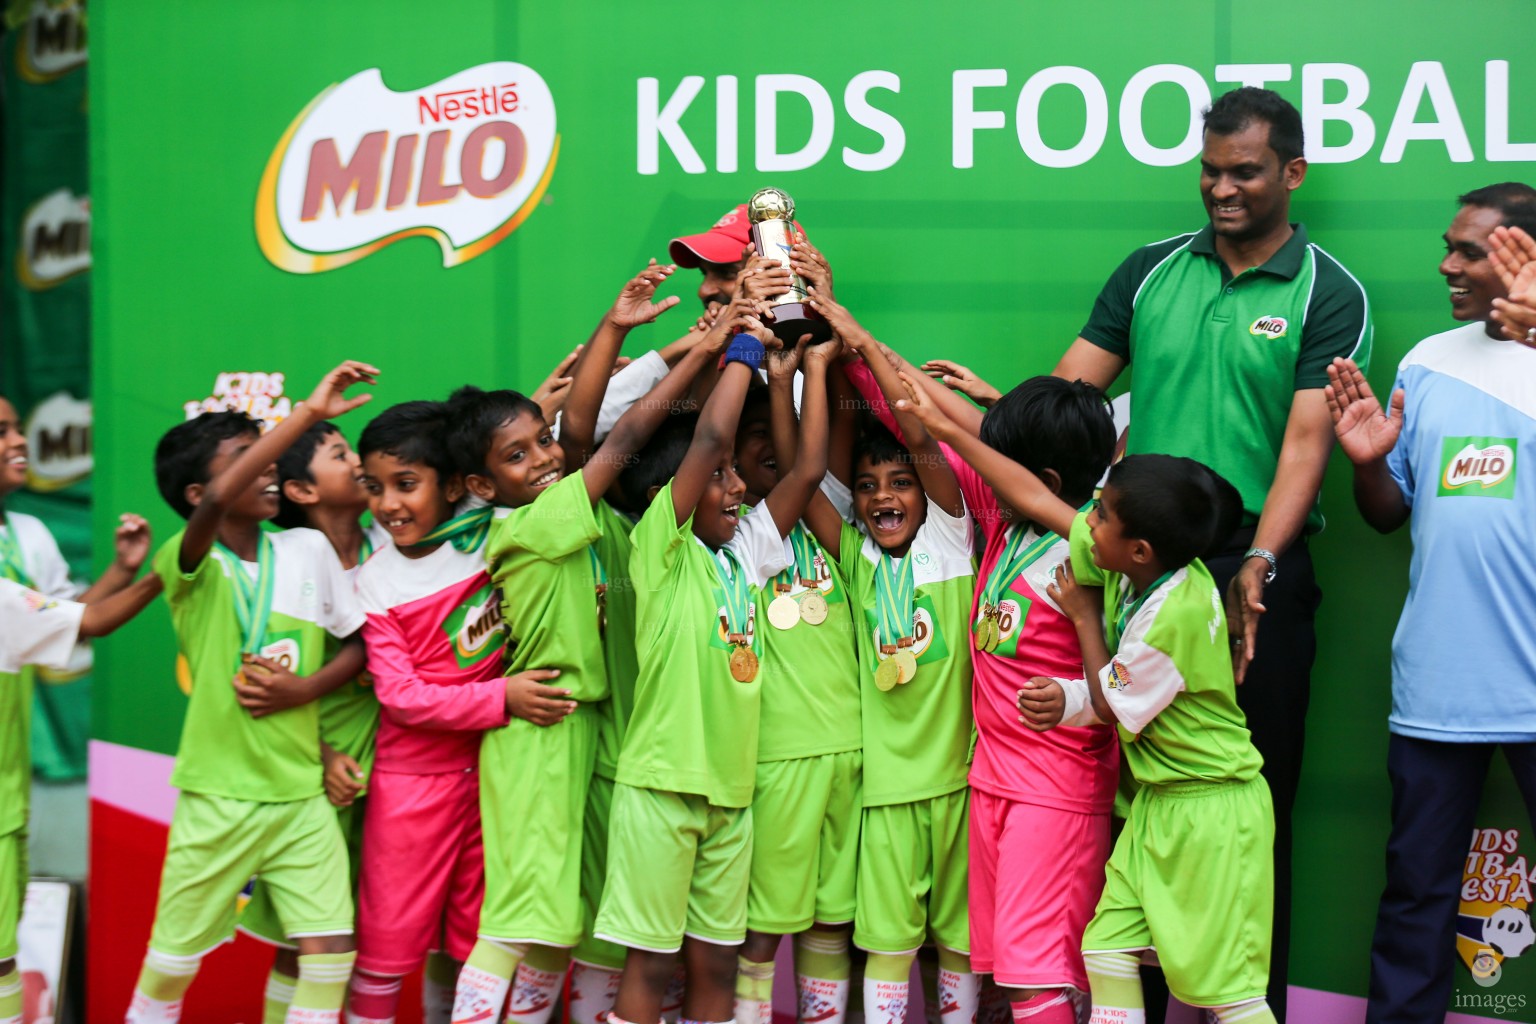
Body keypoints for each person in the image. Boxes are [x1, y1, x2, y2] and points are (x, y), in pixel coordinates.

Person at [1052, 86, 1371, 1020]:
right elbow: (1073, 397)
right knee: (1141, 802)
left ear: (1292, 173)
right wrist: (1018, 415)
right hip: (1144, 558)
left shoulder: (1328, 289)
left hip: (1255, 568)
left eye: (1245, 172)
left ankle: (1244, 1007)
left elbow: (1305, 448)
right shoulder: (1151, 270)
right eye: (1210, 170)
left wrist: (1257, 567)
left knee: (1249, 811)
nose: (1221, 189)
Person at [440, 261, 704, 1022]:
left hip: (594, 729)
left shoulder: (600, 524)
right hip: (541, 735)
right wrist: (705, 345)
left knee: (571, 921)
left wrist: (619, 325)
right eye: (516, 456)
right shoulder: (530, 525)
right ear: (483, 487)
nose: (545, 458)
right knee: (519, 915)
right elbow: (613, 443)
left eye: (538, 443)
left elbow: (582, 434)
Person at [1324, 183, 1536, 1024]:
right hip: (1439, 690)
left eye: (1472, 250)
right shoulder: (1426, 362)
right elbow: (1389, 514)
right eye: (1448, 246)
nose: (1448, 264)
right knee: (1415, 898)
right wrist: (1370, 462)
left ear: (1522, 256)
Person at [126, 363, 377, 1024]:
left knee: (329, 954)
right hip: (219, 798)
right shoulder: (188, 559)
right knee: (171, 965)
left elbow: (357, 644)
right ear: (196, 489)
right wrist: (303, 416)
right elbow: (213, 508)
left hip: (301, 799)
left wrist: (305, 691)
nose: (267, 471)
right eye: (246, 459)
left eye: (268, 458)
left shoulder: (304, 549)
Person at [596, 307, 827, 1024]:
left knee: (716, 960)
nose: (735, 490)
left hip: (731, 795)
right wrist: (747, 344)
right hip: (662, 787)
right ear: (677, 497)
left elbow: (809, 469)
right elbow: (709, 439)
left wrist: (812, 374)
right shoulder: (661, 555)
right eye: (720, 481)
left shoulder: (748, 552)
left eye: (733, 480)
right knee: (651, 959)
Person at [797, 294, 978, 1024]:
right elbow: (807, 480)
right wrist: (811, 372)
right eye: (868, 487)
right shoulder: (854, 557)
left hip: (963, 784)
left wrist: (859, 343)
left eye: (898, 483)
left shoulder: (948, 539)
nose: (881, 497)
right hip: (885, 792)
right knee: (889, 945)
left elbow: (917, 430)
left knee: (961, 945)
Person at [343, 400, 519, 1024]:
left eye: (405, 484)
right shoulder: (374, 583)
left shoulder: (489, 530)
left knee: (478, 938)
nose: (388, 504)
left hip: (495, 777)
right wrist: (503, 698)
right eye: (375, 487)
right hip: (411, 788)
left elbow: (522, 432)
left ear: (453, 486)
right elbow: (401, 697)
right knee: (388, 944)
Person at [733, 338, 863, 1024]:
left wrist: (805, 373)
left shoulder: (833, 527)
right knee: (764, 923)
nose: (769, 449)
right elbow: (797, 467)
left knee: (833, 921)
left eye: (772, 434)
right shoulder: (737, 539)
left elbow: (809, 466)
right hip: (779, 760)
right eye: (750, 438)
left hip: (857, 753)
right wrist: (785, 383)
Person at [242, 421, 387, 1023]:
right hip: (311, 771)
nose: (357, 461)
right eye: (339, 454)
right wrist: (324, 757)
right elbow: (263, 683)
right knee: (306, 943)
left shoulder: (393, 540)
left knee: (360, 942)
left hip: (388, 769)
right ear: (300, 491)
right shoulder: (282, 565)